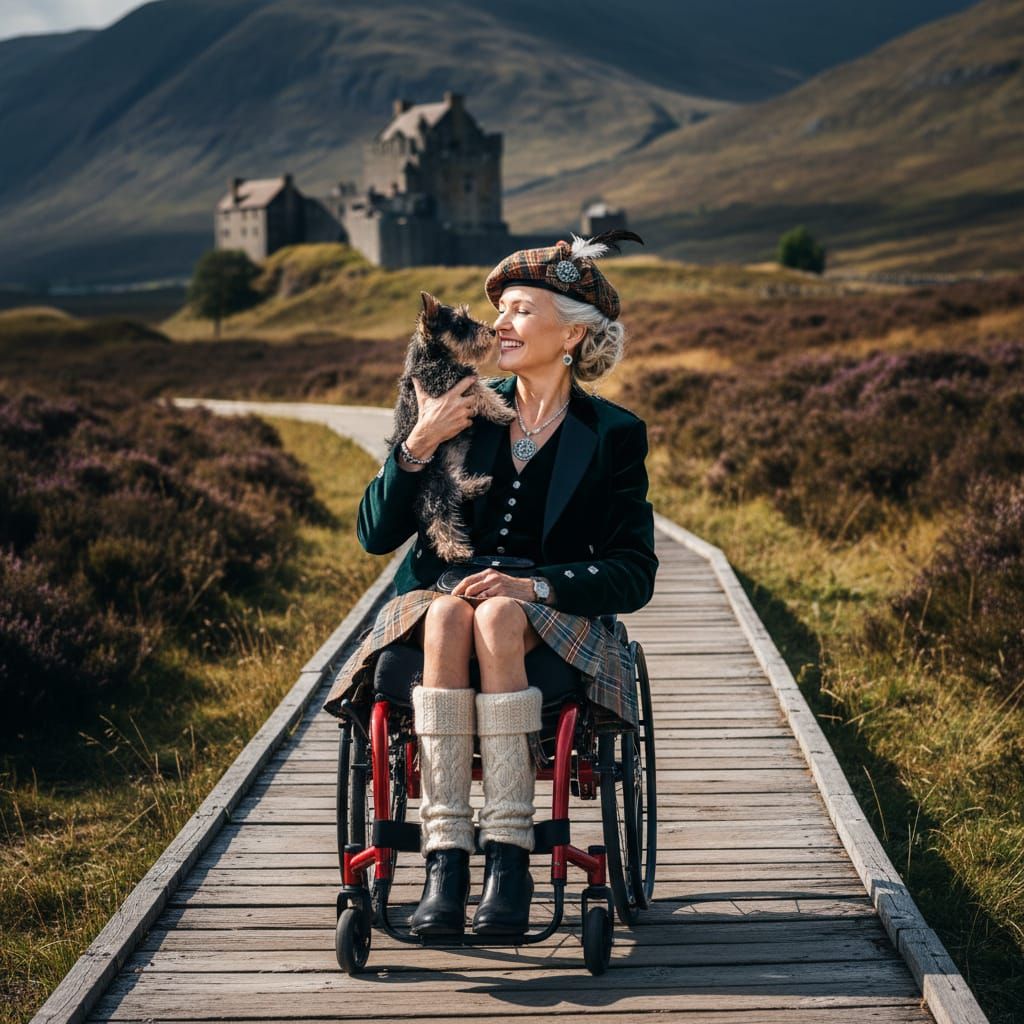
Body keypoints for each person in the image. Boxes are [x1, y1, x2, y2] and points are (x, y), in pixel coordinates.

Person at [323, 231, 658, 938]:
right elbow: (374, 536)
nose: (499, 324)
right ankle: (447, 864)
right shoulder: (460, 403)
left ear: (572, 333)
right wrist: (417, 442)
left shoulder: (614, 434)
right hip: (440, 600)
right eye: (498, 310)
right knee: (449, 617)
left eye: (519, 309)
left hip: (548, 612)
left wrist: (532, 588)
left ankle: (508, 860)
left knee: (500, 616)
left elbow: (633, 570)